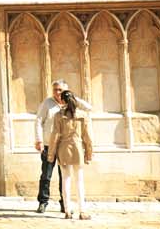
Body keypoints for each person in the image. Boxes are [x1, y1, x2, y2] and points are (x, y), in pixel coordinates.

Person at [34, 77, 90, 214]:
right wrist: (39, 140)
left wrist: (72, 97)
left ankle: (64, 204)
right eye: (55, 90)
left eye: (60, 90)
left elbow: (89, 108)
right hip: (48, 145)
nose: (57, 93)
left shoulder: (71, 105)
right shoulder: (47, 104)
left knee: (64, 177)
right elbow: (38, 121)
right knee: (46, 175)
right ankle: (43, 202)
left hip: (64, 147)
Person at [46, 87, 93, 220]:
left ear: (62, 101)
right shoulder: (82, 115)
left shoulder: (59, 115)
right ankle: (82, 211)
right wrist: (89, 153)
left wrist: (51, 154)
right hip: (78, 149)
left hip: (63, 149)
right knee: (79, 181)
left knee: (66, 180)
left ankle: (67, 211)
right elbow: (87, 136)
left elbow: (55, 135)